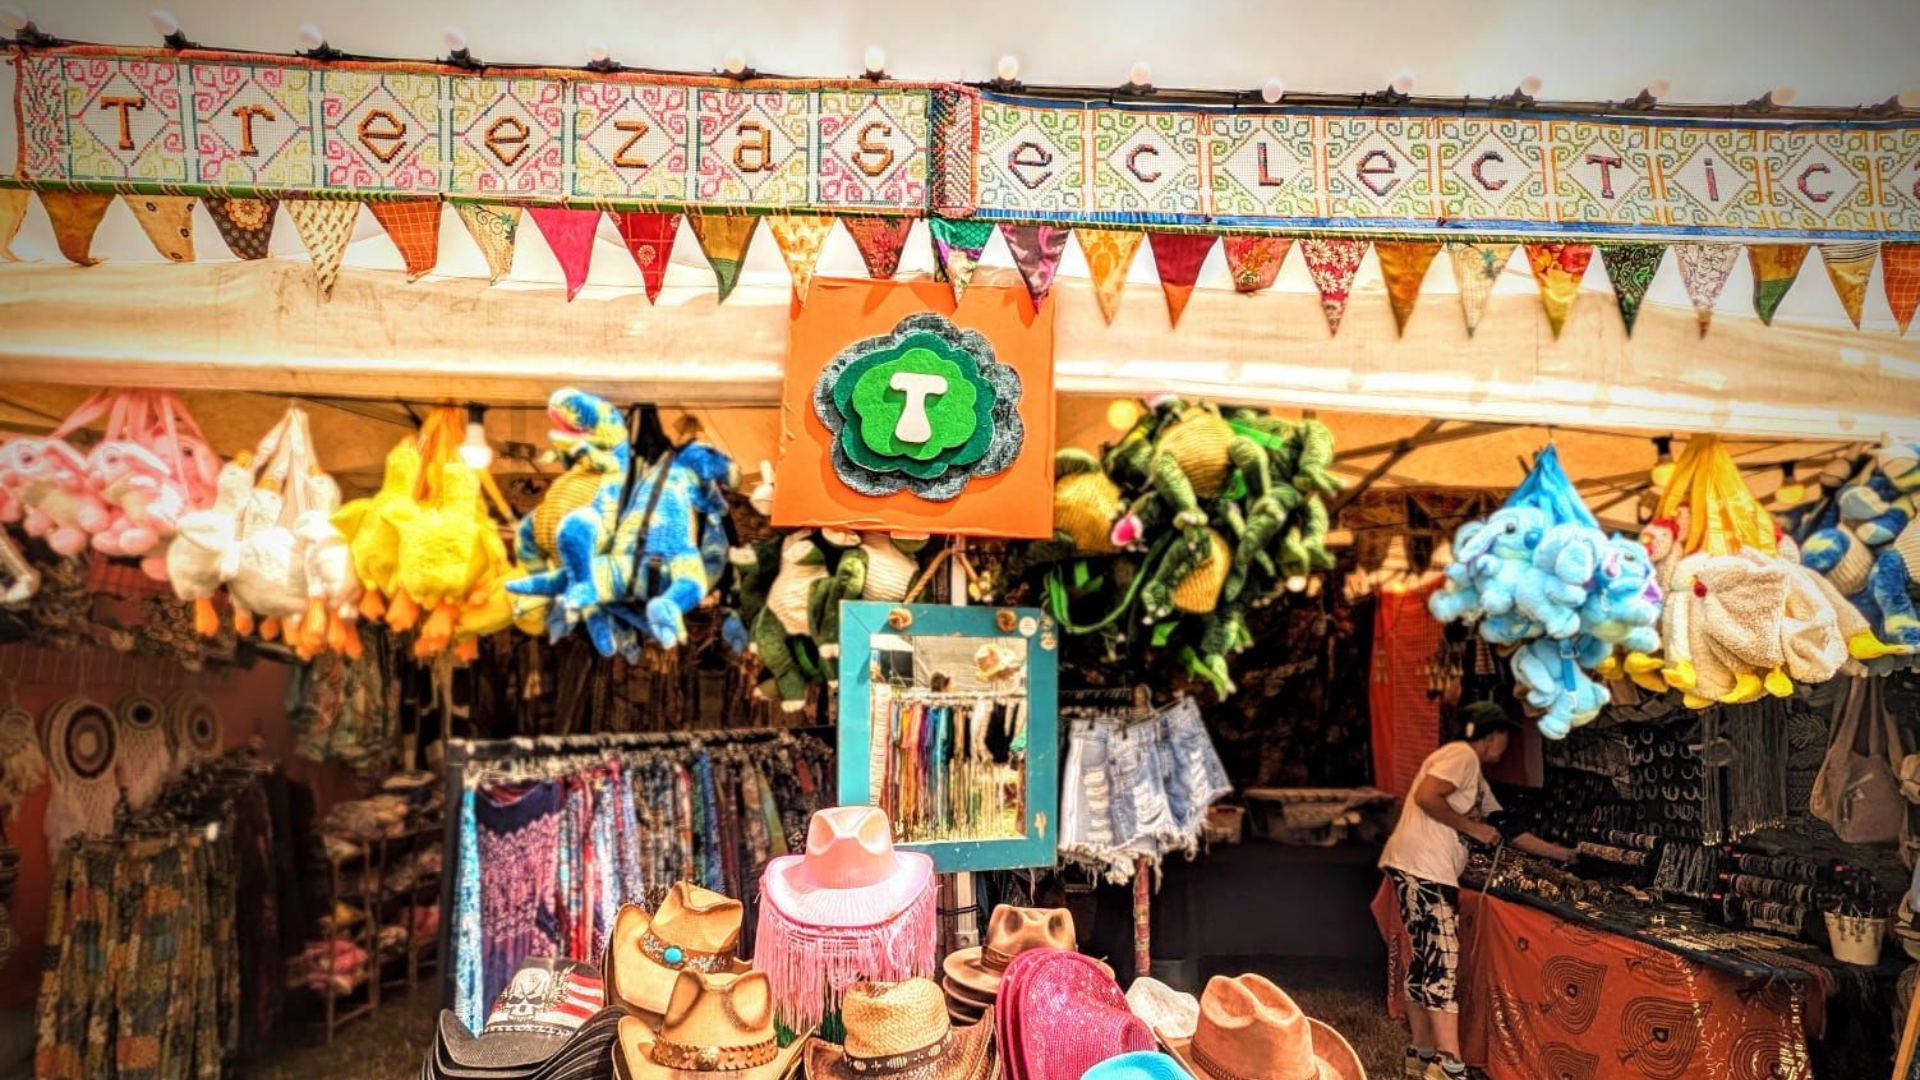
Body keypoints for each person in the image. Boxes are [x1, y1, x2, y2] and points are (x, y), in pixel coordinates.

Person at [1379, 702, 1575, 1080]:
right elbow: (1426, 796)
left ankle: (1420, 1054)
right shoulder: (1461, 756)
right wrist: (1472, 830)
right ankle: (1449, 1063)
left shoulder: (1475, 778)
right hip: (1425, 870)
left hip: (1415, 868)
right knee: (1442, 961)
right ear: (1493, 734)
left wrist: (1564, 854)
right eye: (1506, 736)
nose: (1507, 745)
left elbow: (1507, 828)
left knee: (1426, 960)